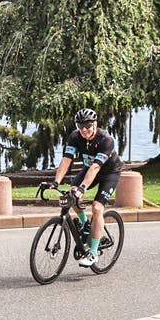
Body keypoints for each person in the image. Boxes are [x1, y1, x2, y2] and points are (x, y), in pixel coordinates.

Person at [49, 108, 122, 268]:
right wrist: (56, 181)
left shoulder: (106, 140)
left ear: (95, 124)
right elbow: (66, 160)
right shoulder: (75, 137)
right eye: (80, 126)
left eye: (87, 126)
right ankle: (85, 223)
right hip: (89, 169)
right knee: (71, 195)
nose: (84, 130)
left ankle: (93, 253)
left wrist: (82, 188)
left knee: (97, 208)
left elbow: (96, 168)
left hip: (108, 173)